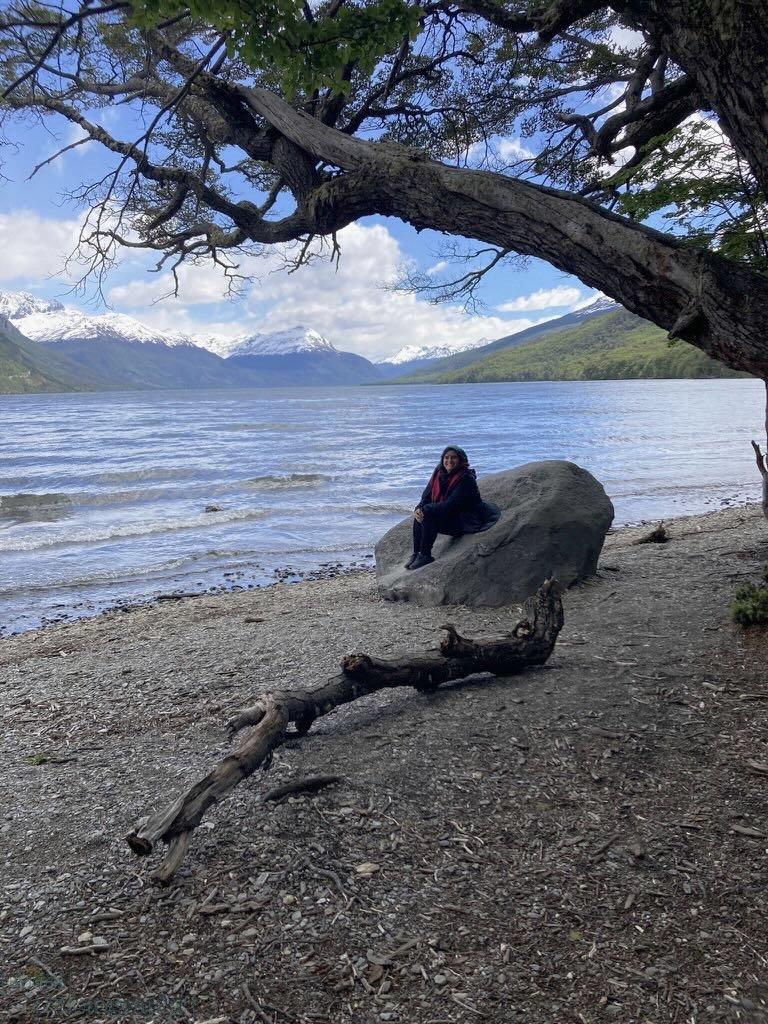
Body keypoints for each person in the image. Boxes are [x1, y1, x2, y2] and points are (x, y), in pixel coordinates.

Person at [406, 445, 499, 570]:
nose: (449, 461)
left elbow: (451, 505)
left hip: (465, 519)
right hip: (450, 515)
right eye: (446, 457)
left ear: (461, 460)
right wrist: (419, 508)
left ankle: (425, 555)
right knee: (419, 515)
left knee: (429, 516)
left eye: (454, 458)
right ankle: (416, 553)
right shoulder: (438, 473)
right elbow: (426, 496)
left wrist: (426, 509)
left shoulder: (466, 478)